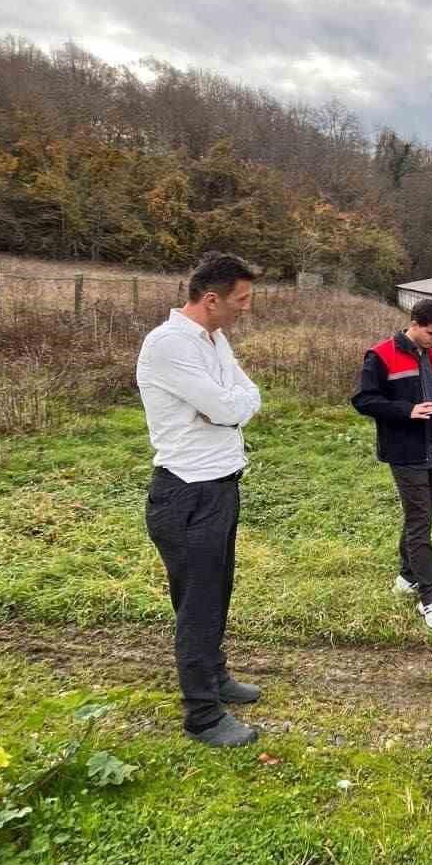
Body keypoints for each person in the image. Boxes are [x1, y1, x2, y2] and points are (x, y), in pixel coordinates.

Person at [136, 253, 264, 748]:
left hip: (221, 484)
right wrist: (227, 408)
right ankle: (203, 715)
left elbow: (244, 396)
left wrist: (231, 407)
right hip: (185, 491)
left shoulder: (214, 338)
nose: (246, 309)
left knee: (218, 590)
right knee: (198, 603)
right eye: (241, 299)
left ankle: (215, 677)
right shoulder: (169, 345)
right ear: (211, 299)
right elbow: (223, 406)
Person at [351, 298, 432, 631]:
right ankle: (430, 601)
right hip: (406, 453)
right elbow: (364, 400)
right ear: (414, 323)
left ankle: (406, 576)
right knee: (420, 523)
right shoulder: (381, 355)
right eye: (431, 333)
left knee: (423, 517)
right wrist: (407, 411)